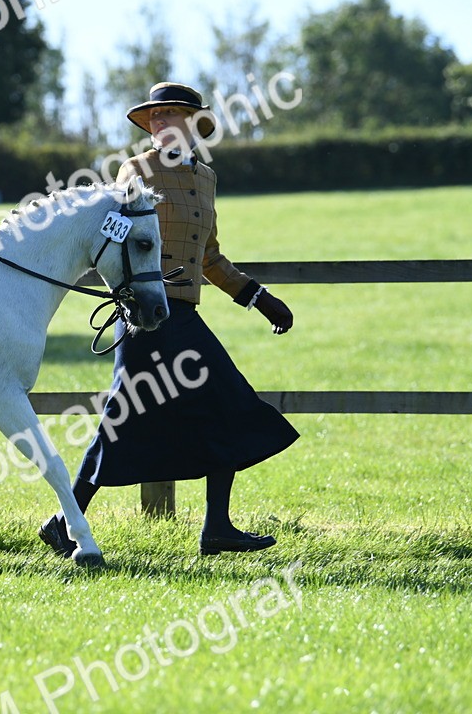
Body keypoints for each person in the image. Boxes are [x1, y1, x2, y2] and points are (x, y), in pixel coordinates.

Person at [40, 82, 300, 557]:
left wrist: (257, 297)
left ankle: (215, 527)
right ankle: (65, 523)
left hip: (183, 314)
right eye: (154, 118)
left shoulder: (206, 178)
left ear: (193, 123)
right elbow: (113, 236)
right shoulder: (136, 170)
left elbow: (210, 257)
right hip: (144, 316)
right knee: (126, 418)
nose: (159, 123)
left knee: (225, 405)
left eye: (169, 115)